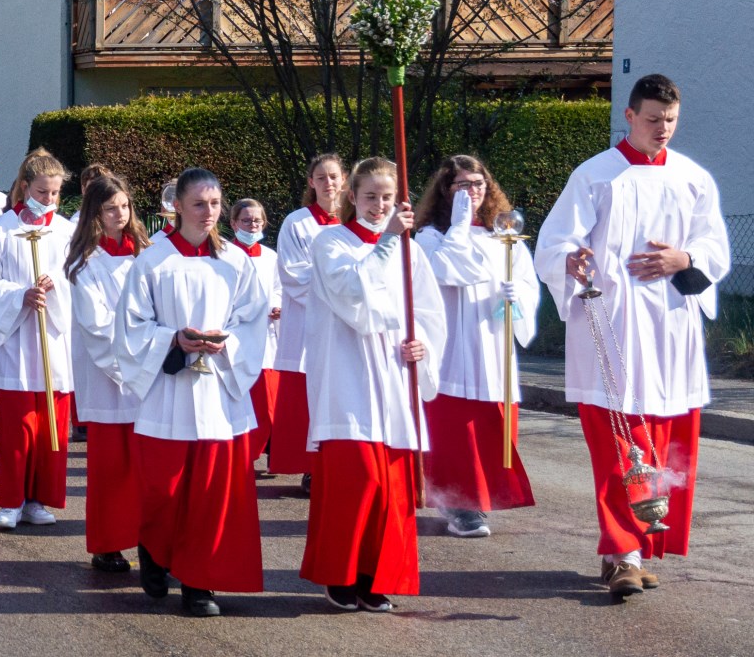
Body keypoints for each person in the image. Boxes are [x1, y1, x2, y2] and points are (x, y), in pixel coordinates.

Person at [534, 74, 729, 597]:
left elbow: (714, 247)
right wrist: (570, 261)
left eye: (669, 120)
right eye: (651, 119)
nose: (661, 129)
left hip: (670, 330)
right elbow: (552, 245)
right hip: (612, 328)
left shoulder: (693, 178)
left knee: (663, 443)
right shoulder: (597, 176)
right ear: (629, 116)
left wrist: (683, 258)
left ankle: (643, 544)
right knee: (620, 444)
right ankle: (622, 553)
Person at [114, 167, 273, 618]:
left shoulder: (236, 261)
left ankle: (199, 582)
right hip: (168, 390)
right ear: (178, 206)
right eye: (199, 204)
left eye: (216, 204)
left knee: (212, 494)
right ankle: (154, 548)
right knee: (163, 491)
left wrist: (226, 343)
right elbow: (131, 325)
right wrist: (173, 338)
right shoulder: (152, 260)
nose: (209, 213)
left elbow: (253, 320)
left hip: (219, 392)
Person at [301, 157, 445, 613]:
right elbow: (351, 299)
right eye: (369, 197)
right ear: (352, 197)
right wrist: (384, 244)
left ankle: (373, 576)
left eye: (386, 197)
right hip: (348, 373)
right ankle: (338, 574)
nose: (379, 205)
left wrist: (420, 344)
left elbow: (428, 312)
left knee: (391, 485)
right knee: (356, 478)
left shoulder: (412, 251)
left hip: (393, 374)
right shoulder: (331, 243)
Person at [414, 155, 539, 539]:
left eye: (478, 184)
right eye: (463, 186)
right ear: (445, 191)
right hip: (453, 344)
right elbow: (452, 270)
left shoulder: (503, 235)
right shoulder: (430, 237)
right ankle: (455, 500)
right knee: (454, 427)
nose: (472, 192)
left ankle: (482, 496)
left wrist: (517, 299)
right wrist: (458, 227)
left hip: (492, 340)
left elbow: (527, 283)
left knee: (492, 424)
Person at [0, 148, 76, 531]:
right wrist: (21, 296)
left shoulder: (66, 231)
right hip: (16, 342)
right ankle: (12, 500)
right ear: (25, 186)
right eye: (42, 191)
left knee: (51, 423)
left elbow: (78, 281)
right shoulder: (1, 231)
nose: (48, 200)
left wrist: (56, 288)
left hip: (52, 339)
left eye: (54, 194)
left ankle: (38, 499)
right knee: (18, 427)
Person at [64, 173, 149, 573]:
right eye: (111, 208)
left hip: (148, 374)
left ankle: (149, 540)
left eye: (125, 206)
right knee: (111, 468)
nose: (120, 214)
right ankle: (108, 543)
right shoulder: (86, 262)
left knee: (146, 466)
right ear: (95, 213)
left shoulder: (147, 254)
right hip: (109, 376)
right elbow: (95, 326)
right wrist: (128, 368)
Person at [272, 153, 346, 490]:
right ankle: (312, 467)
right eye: (321, 177)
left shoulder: (355, 221)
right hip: (309, 324)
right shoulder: (297, 222)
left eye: (334, 176)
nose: (328, 183)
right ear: (311, 182)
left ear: (344, 180)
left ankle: (338, 460)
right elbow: (293, 274)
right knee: (308, 399)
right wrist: (342, 287)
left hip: (346, 325)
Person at [228, 199, 283, 470]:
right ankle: (244, 455)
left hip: (268, 339)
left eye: (257, 221)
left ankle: (270, 449)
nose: (252, 226)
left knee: (269, 401)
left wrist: (276, 305)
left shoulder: (271, 257)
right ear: (234, 223)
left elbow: (280, 287)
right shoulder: (225, 254)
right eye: (247, 221)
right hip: (238, 338)